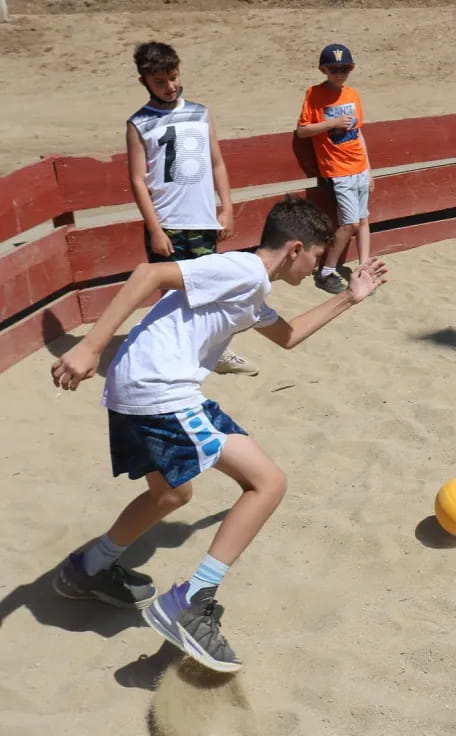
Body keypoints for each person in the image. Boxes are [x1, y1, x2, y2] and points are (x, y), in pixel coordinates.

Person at [50, 196, 388, 672]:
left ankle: (88, 569)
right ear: (295, 249)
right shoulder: (243, 272)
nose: (320, 264)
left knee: (171, 497)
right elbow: (148, 275)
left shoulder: (250, 291)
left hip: (137, 388)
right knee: (267, 484)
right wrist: (88, 348)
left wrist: (348, 298)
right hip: (160, 391)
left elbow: (289, 337)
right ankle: (191, 601)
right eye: (317, 255)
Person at [127, 41, 257, 376]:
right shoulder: (139, 123)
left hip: (202, 221)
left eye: (173, 76)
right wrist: (155, 228)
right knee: (170, 294)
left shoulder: (200, 112)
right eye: (160, 81)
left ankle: (217, 353)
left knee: (208, 289)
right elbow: (139, 181)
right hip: (167, 223)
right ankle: (171, 357)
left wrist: (226, 207)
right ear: (144, 81)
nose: (170, 86)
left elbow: (217, 163)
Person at [295, 43, 374, 294]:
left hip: (359, 166)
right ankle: (326, 271)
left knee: (362, 221)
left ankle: (363, 269)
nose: (340, 73)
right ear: (324, 70)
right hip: (338, 170)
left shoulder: (352, 94)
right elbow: (303, 130)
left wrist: (369, 168)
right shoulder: (314, 94)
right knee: (349, 223)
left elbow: (358, 132)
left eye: (345, 68)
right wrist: (333, 123)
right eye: (334, 69)